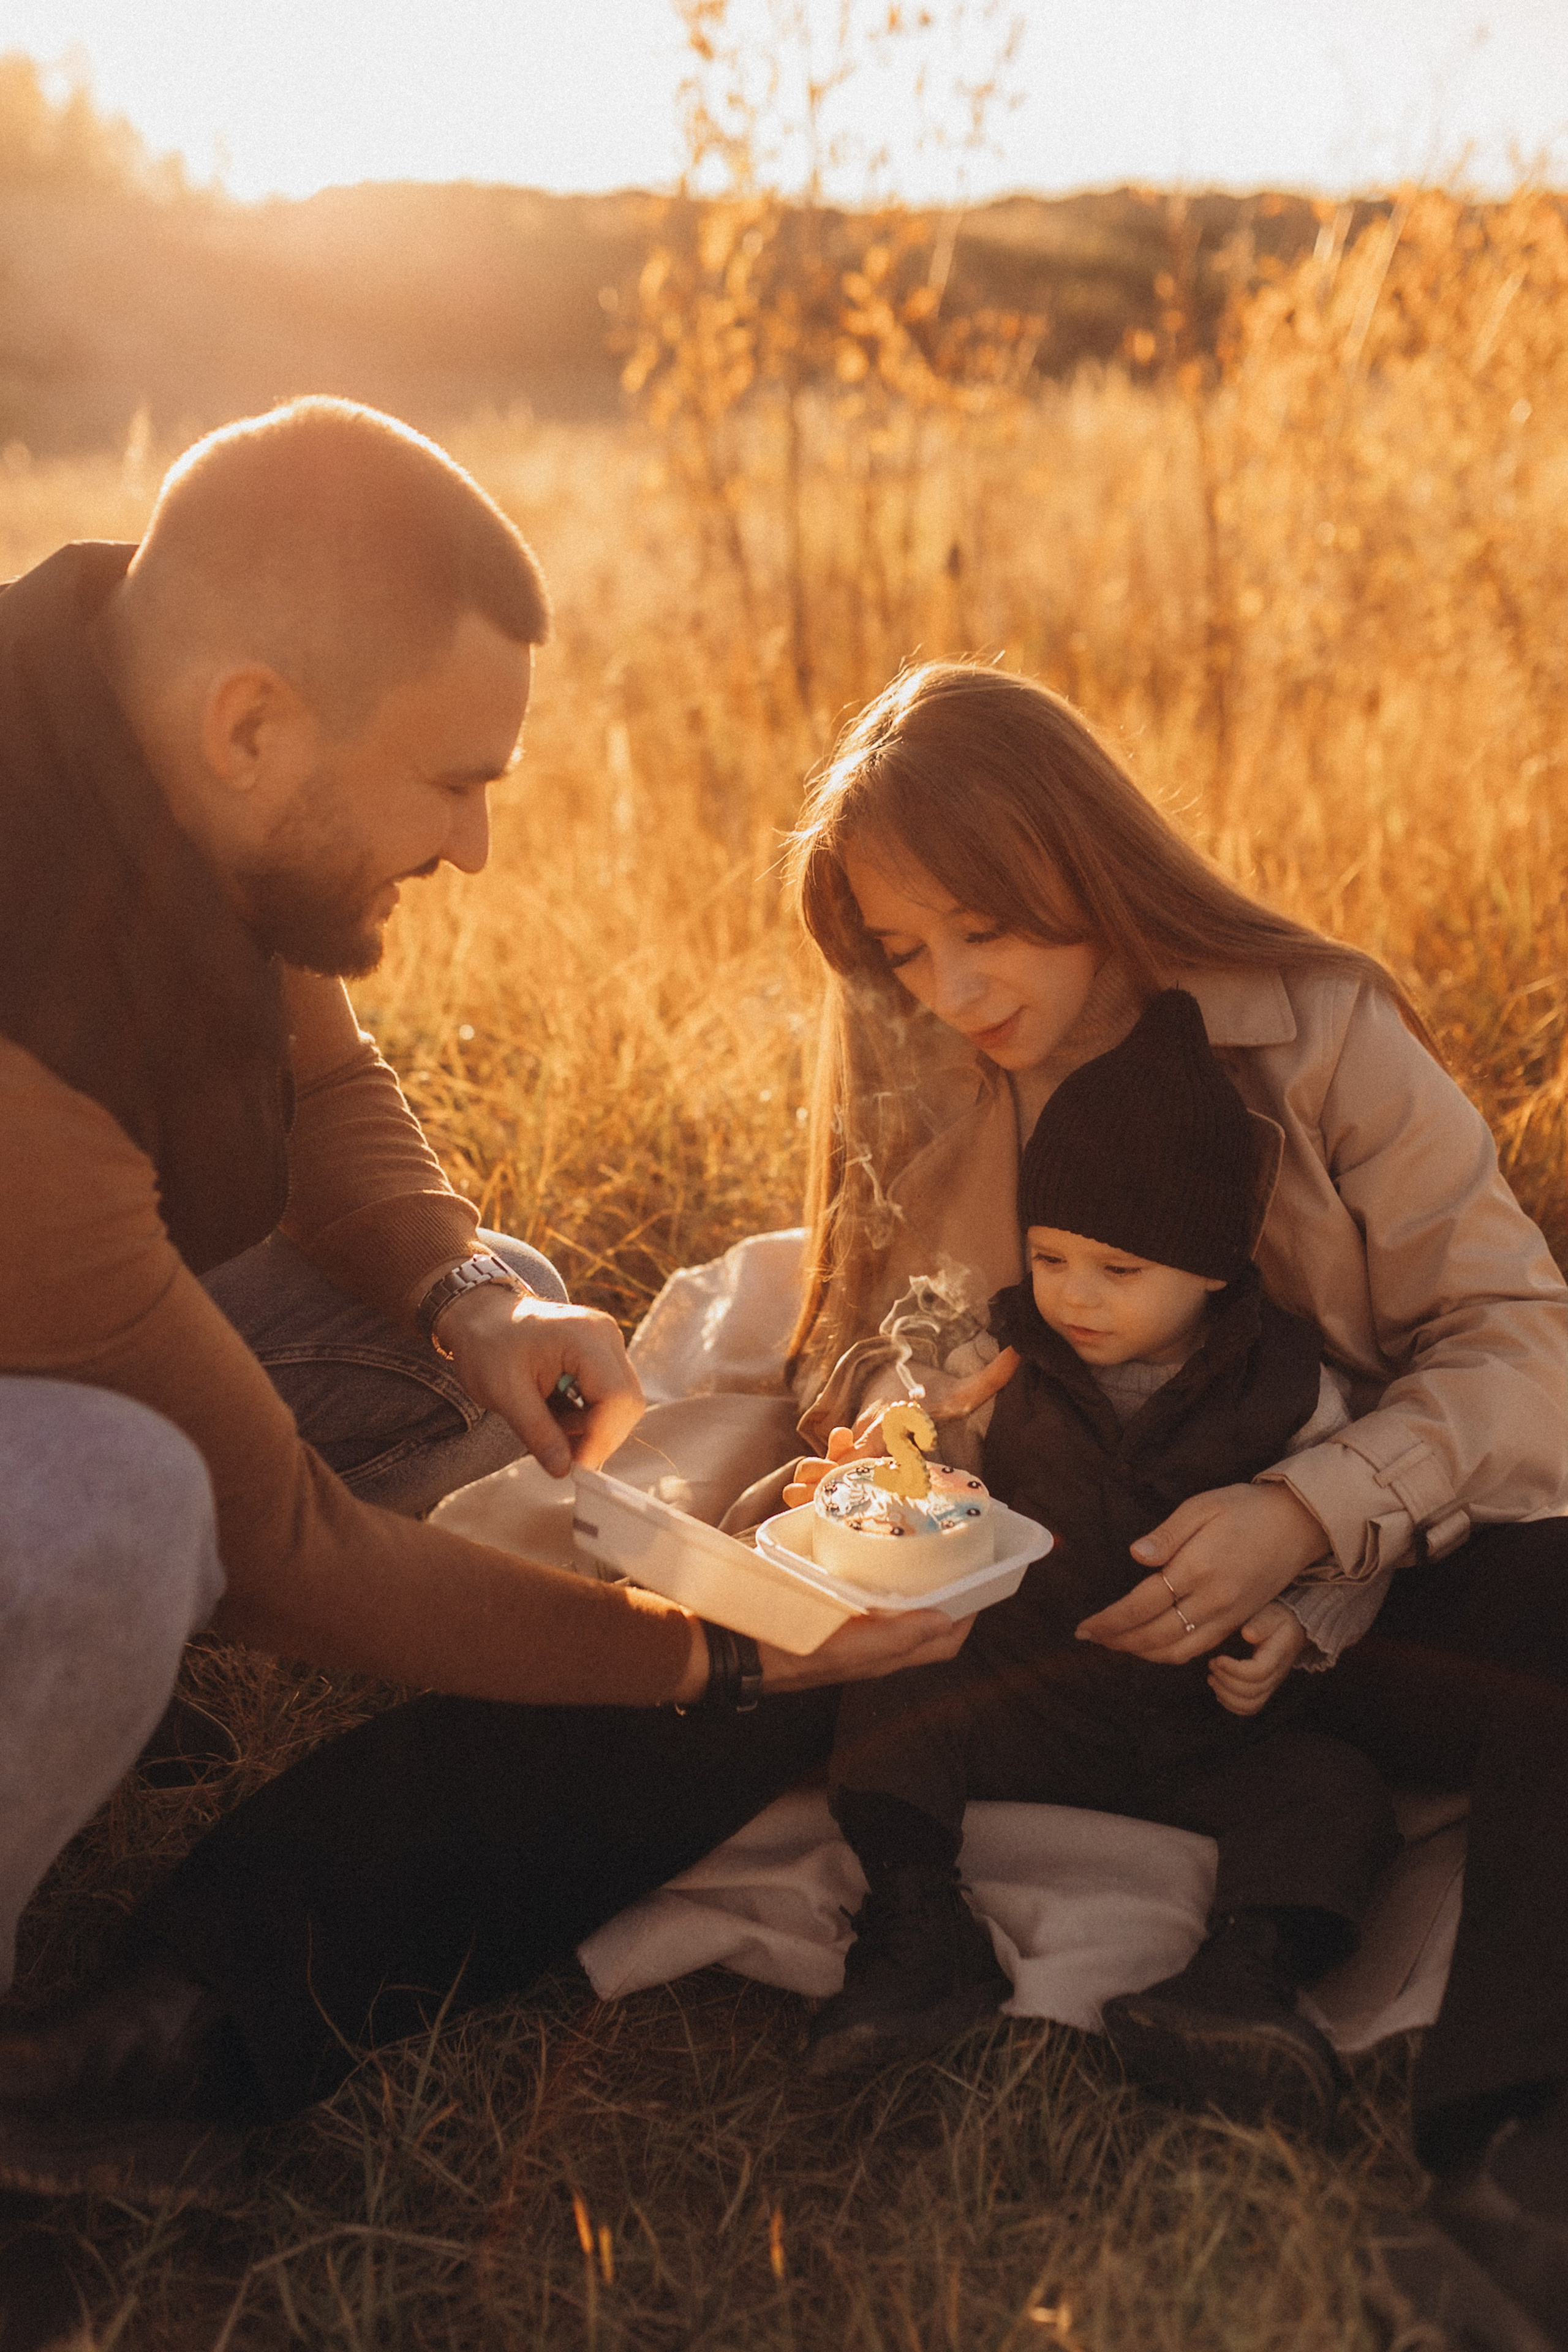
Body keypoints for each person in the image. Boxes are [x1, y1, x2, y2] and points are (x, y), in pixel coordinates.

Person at [0, 403, 965, 2220]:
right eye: (454, 782)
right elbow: (287, 1547)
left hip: (60, 1275)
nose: (478, 848)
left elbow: (324, 1094)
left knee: (508, 1304)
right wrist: (726, 1661)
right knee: (124, 1511)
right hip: (49, 1351)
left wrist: (462, 1297)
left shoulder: (152, 715)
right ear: (257, 724)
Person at [775, 663, 1568, 2345]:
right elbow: (869, 1342)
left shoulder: (1314, 1024)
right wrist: (881, 1455)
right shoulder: (915, 1055)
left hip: (1333, 1582)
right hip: (1024, 1603)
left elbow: (1517, 1342)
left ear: (1089, 857)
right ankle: (208, 1999)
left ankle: (1524, 2183)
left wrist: (1311, 1512)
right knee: (682, 1643)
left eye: (987, 927)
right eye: (906, 950)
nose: (956, 986)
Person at [805, 988, 1401, 2136]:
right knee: (895, 1695)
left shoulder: (1289, 1389)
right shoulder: (1008, 1350)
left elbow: (1349, 1530)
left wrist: (1302, 1623)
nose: (1074, 1296)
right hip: (1031, 1686)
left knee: (1342, 1793)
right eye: (1052, 1257)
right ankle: (924, 1932)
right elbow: (907, 1380)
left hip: (1200, 1720)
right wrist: (911, 1420)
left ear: (1216, 1272)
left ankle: (1243, 1979)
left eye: (1119, 1272)